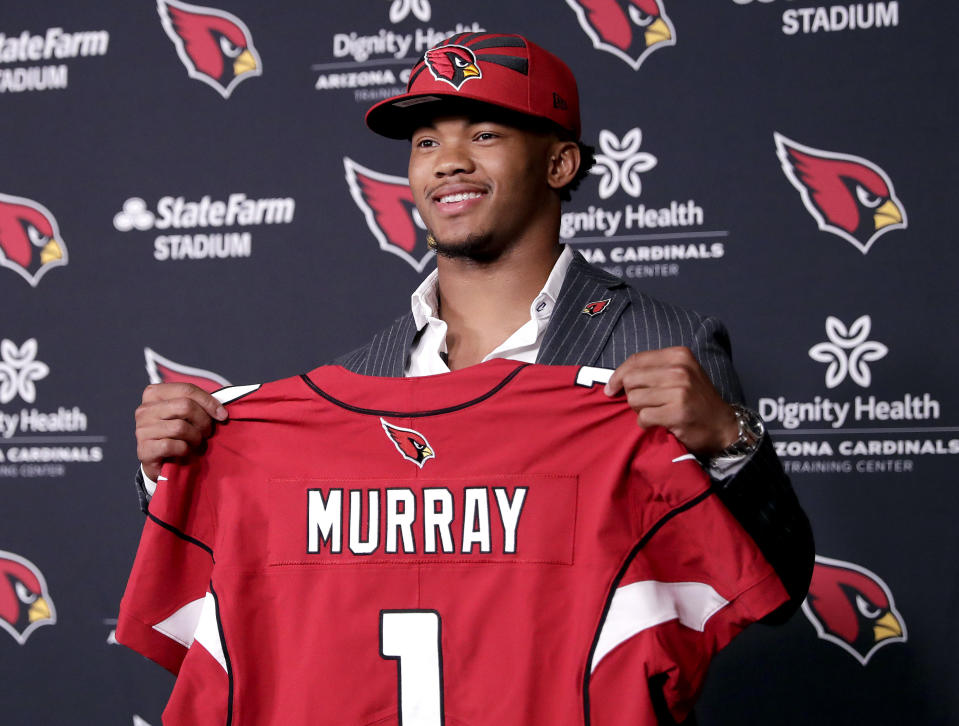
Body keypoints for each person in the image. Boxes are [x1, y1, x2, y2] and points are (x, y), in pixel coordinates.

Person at [133, 32, 813, 622]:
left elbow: (773, 593)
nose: (447, 160)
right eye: (427, 141)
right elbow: (261, 584)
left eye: (483, 134)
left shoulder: (664, 342)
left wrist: (730, 440)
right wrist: (173, 475)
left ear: (559, 163)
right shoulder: (364, 376)